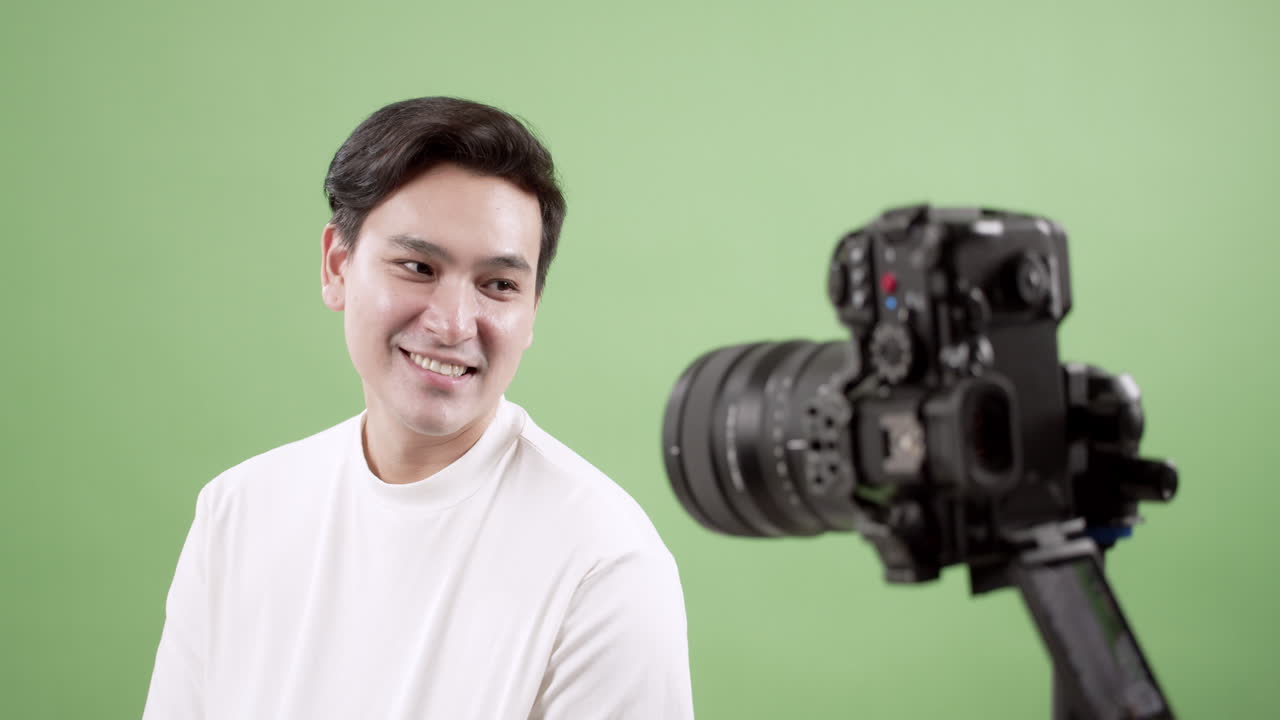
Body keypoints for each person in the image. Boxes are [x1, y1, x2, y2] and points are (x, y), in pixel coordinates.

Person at [142, 97, 695, 719]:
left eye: (499, 285)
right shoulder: (238, 511)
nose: (455, 323)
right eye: (417, 266)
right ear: (336, 266)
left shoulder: (604, 561)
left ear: (532, 310)